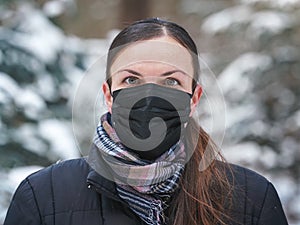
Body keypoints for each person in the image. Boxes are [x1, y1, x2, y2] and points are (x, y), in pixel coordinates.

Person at [4, 18, 288, 225]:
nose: (150, 96)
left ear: (194, 97)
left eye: (171, 80)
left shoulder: (251, 199)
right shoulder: (43, 197)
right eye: (131, 79)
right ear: (108, 94)